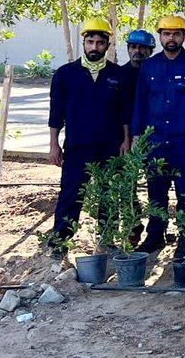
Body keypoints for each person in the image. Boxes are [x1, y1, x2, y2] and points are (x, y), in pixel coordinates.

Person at [46, 19, 132, 254]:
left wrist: (126, 140)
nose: (94, 47)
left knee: (109, 194)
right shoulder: (65, 74)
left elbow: (125, 112)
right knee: (71, 195)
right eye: (90, 42)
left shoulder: (118, 75)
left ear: (107, 45)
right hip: (77, 146)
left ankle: (107, 239)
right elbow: (56, 113)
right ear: (83, 43)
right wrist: (54, 145)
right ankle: (60, 243)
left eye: (99, 43)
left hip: (110, 146)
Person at [130, 15, 185, 254]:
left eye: (176, 34)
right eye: (166, 34)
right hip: (155, 142)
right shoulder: (150, 66)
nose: (171, 38)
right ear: (160, 37)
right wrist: (136, 136)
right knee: (156, 192)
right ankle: (156, 235)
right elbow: (140, 104)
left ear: (184, 36)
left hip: (184, 142)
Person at [121, 29, 155, 98]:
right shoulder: (119, 74)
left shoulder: (157, 74)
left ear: (150, 51)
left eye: (142, 47)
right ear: (128, 49)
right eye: (133, 47)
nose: (137, 50)